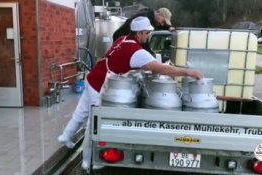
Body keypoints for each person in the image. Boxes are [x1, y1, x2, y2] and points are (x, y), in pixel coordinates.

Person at [58, 16, 203, 170]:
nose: (148, 36)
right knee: (94, 123)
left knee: (81, 111)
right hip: (100, 84)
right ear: (139, 33)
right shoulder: (137, 51)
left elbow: (123, 60)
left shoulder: (123, 39)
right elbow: (161, 69)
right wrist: (188, 72)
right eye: (147, 32)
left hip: (93, 76)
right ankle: (88, 161)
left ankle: (66, 136)